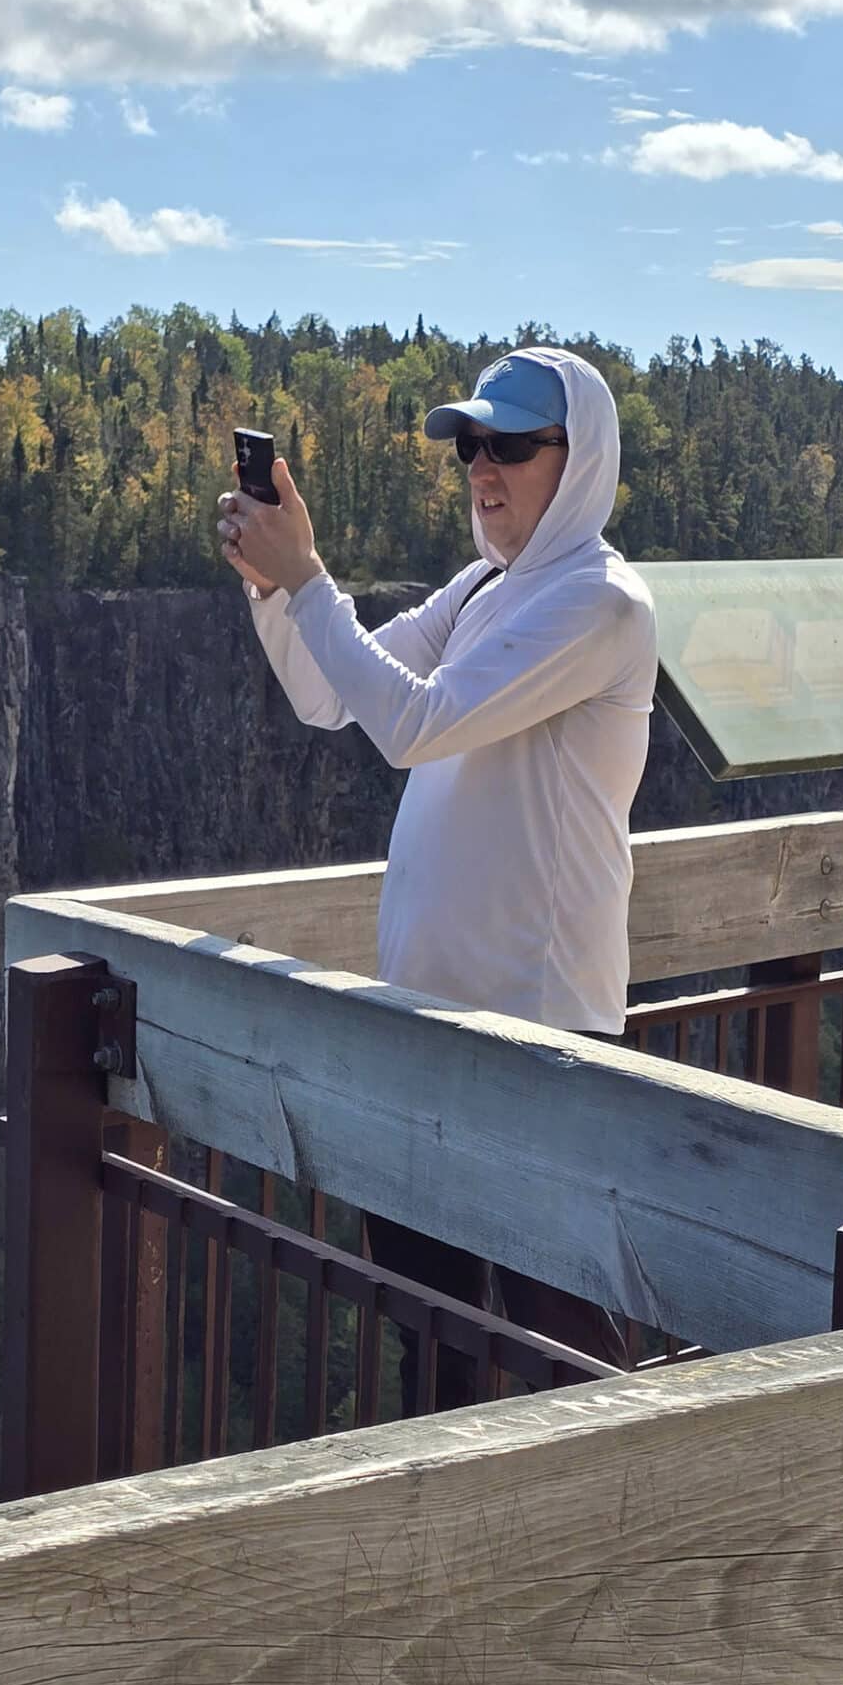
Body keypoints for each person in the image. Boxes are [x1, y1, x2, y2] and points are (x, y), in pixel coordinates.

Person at [215, 346, 657, 1389]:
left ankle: (613, 1530)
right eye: (470, 446)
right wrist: (275, 592)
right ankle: (459, 1542)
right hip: (434, 1023)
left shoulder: (600, 602)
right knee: (437, 1329)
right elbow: (330, 697)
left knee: (562, 1340)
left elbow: (416, 725)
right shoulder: (481, 589)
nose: (482, 469)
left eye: (509, 445)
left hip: (536, 1031)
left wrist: (314, 578)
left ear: (578, 457)